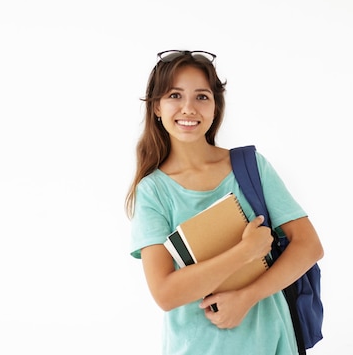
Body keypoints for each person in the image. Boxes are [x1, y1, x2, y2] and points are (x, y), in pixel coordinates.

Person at [125, 50, 324, 355]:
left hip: (271, 342)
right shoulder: (153, 191)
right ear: (156, 107)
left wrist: (247, 297)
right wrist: (245, 252)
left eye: (202, 97)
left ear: (216, 107)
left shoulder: (250, 167)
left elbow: (309, 246)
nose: (188, 108)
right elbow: (165, 293)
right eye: (175, 95)